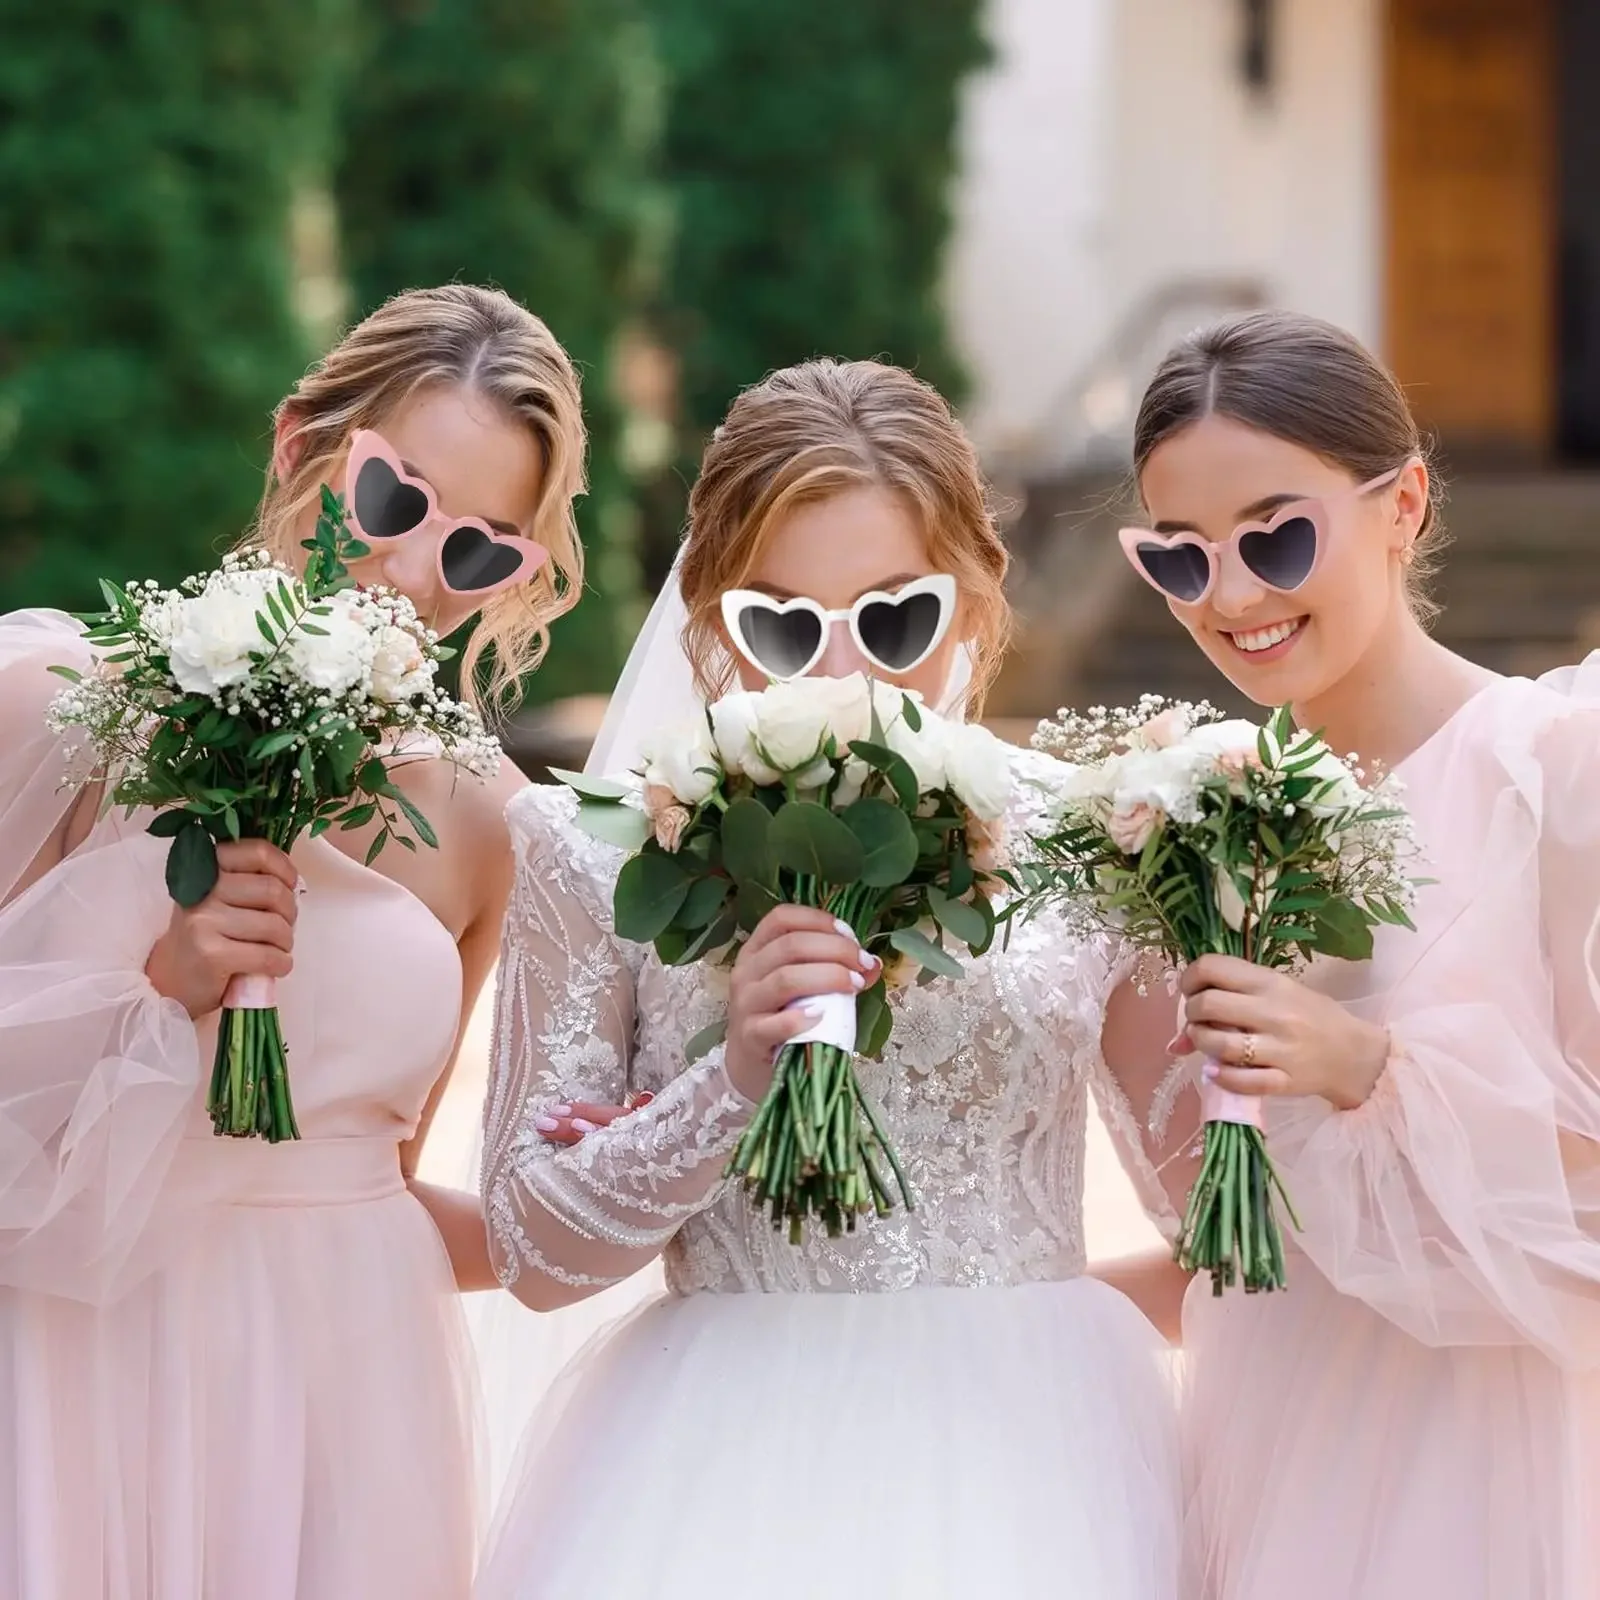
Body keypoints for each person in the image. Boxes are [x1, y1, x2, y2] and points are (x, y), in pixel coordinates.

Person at [471, 358, 1185, 1600]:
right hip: (707, 1478)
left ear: (970, 600)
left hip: (1032, 1463)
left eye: (895, 618)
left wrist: (1021, 1311)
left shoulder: (1092, 839)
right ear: (708, 617)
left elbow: (1215, 1222)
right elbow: (532, 1249)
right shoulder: (591, 857)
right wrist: (728, 1076)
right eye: (783, 626)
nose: (843, 672)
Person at [0, 283, 586, 1599]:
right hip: (85, 1366)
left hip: (347, 1392)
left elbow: (387, 1188)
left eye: (481, 551)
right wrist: (162, 993)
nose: (416, 573)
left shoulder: (485, 825)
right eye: (395, 500)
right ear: (296, 447)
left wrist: (662, 1166)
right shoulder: (58, 715)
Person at [1117, 309, 1600, 1598]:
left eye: (1277, 535)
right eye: (1180, 558)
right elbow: (1247, 1243)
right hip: (1263, 1435)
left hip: (1485, 1465)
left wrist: (1371, 1067)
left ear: (1404, 503)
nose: (1232, 598)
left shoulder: (1553, 775)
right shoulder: (1194, 823)